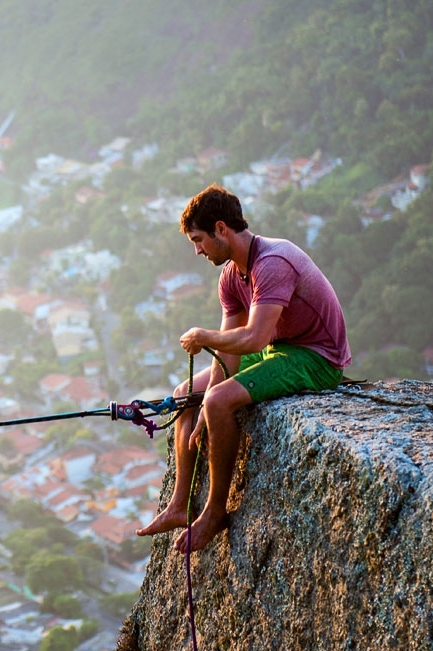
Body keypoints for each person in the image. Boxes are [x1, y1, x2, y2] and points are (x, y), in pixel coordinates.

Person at [135, 183, 351, 553]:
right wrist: (202, 407)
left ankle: (215, 512)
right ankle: (179, 504)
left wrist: (205, 339)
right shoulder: (232, 277)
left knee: (218, 402)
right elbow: (229, 355)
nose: (197, 250)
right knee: (188, 394)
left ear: (222, 229)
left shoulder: (272, 263)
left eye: (199, 239)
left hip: (315, 356)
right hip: (276, 348)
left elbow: (252, 338)